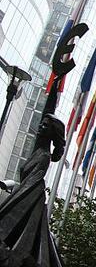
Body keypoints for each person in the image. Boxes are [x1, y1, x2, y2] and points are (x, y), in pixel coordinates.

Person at [0, 113, 66, 267]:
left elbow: (28, 186)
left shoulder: (43, 156)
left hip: (30, 198)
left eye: (46, 126)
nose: (41, 127)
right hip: (28, 196)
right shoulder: (38, 152)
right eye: (41, 124)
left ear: (52, 133)